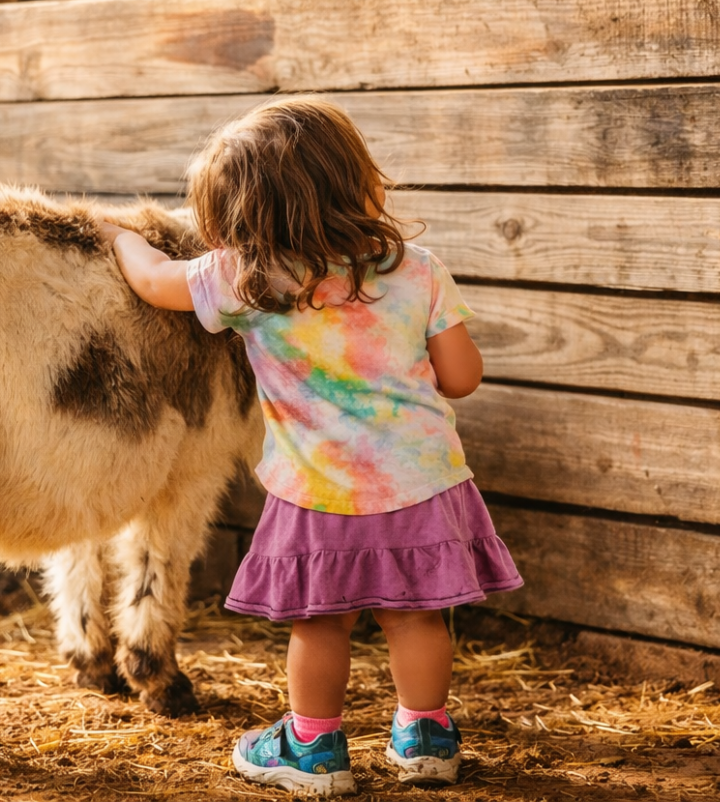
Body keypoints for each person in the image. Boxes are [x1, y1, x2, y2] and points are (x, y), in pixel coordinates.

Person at [98, 96, 523, 796]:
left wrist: (116, 236)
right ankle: (426, 736)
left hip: (319, 490)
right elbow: (462, 378)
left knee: (319, 623)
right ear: (355, 179)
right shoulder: (416, 269)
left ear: (243, 219)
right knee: (417, 614)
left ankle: (314, 748)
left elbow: (151, 281)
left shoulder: (248, 278)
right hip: (423, 481)